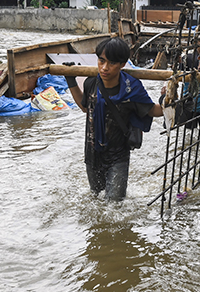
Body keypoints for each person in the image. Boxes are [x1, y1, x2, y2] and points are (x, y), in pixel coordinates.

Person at [66, 37, 163, 201]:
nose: (104, 68)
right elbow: (85, 107)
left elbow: (152, 110)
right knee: (95, 200)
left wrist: (168, 102)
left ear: (122, 64)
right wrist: (71, 81)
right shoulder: (91, 83)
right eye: (101, 61)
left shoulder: (131, 88)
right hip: (92, 153)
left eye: (111, 63)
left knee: (114, 206)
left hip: (118, 156)